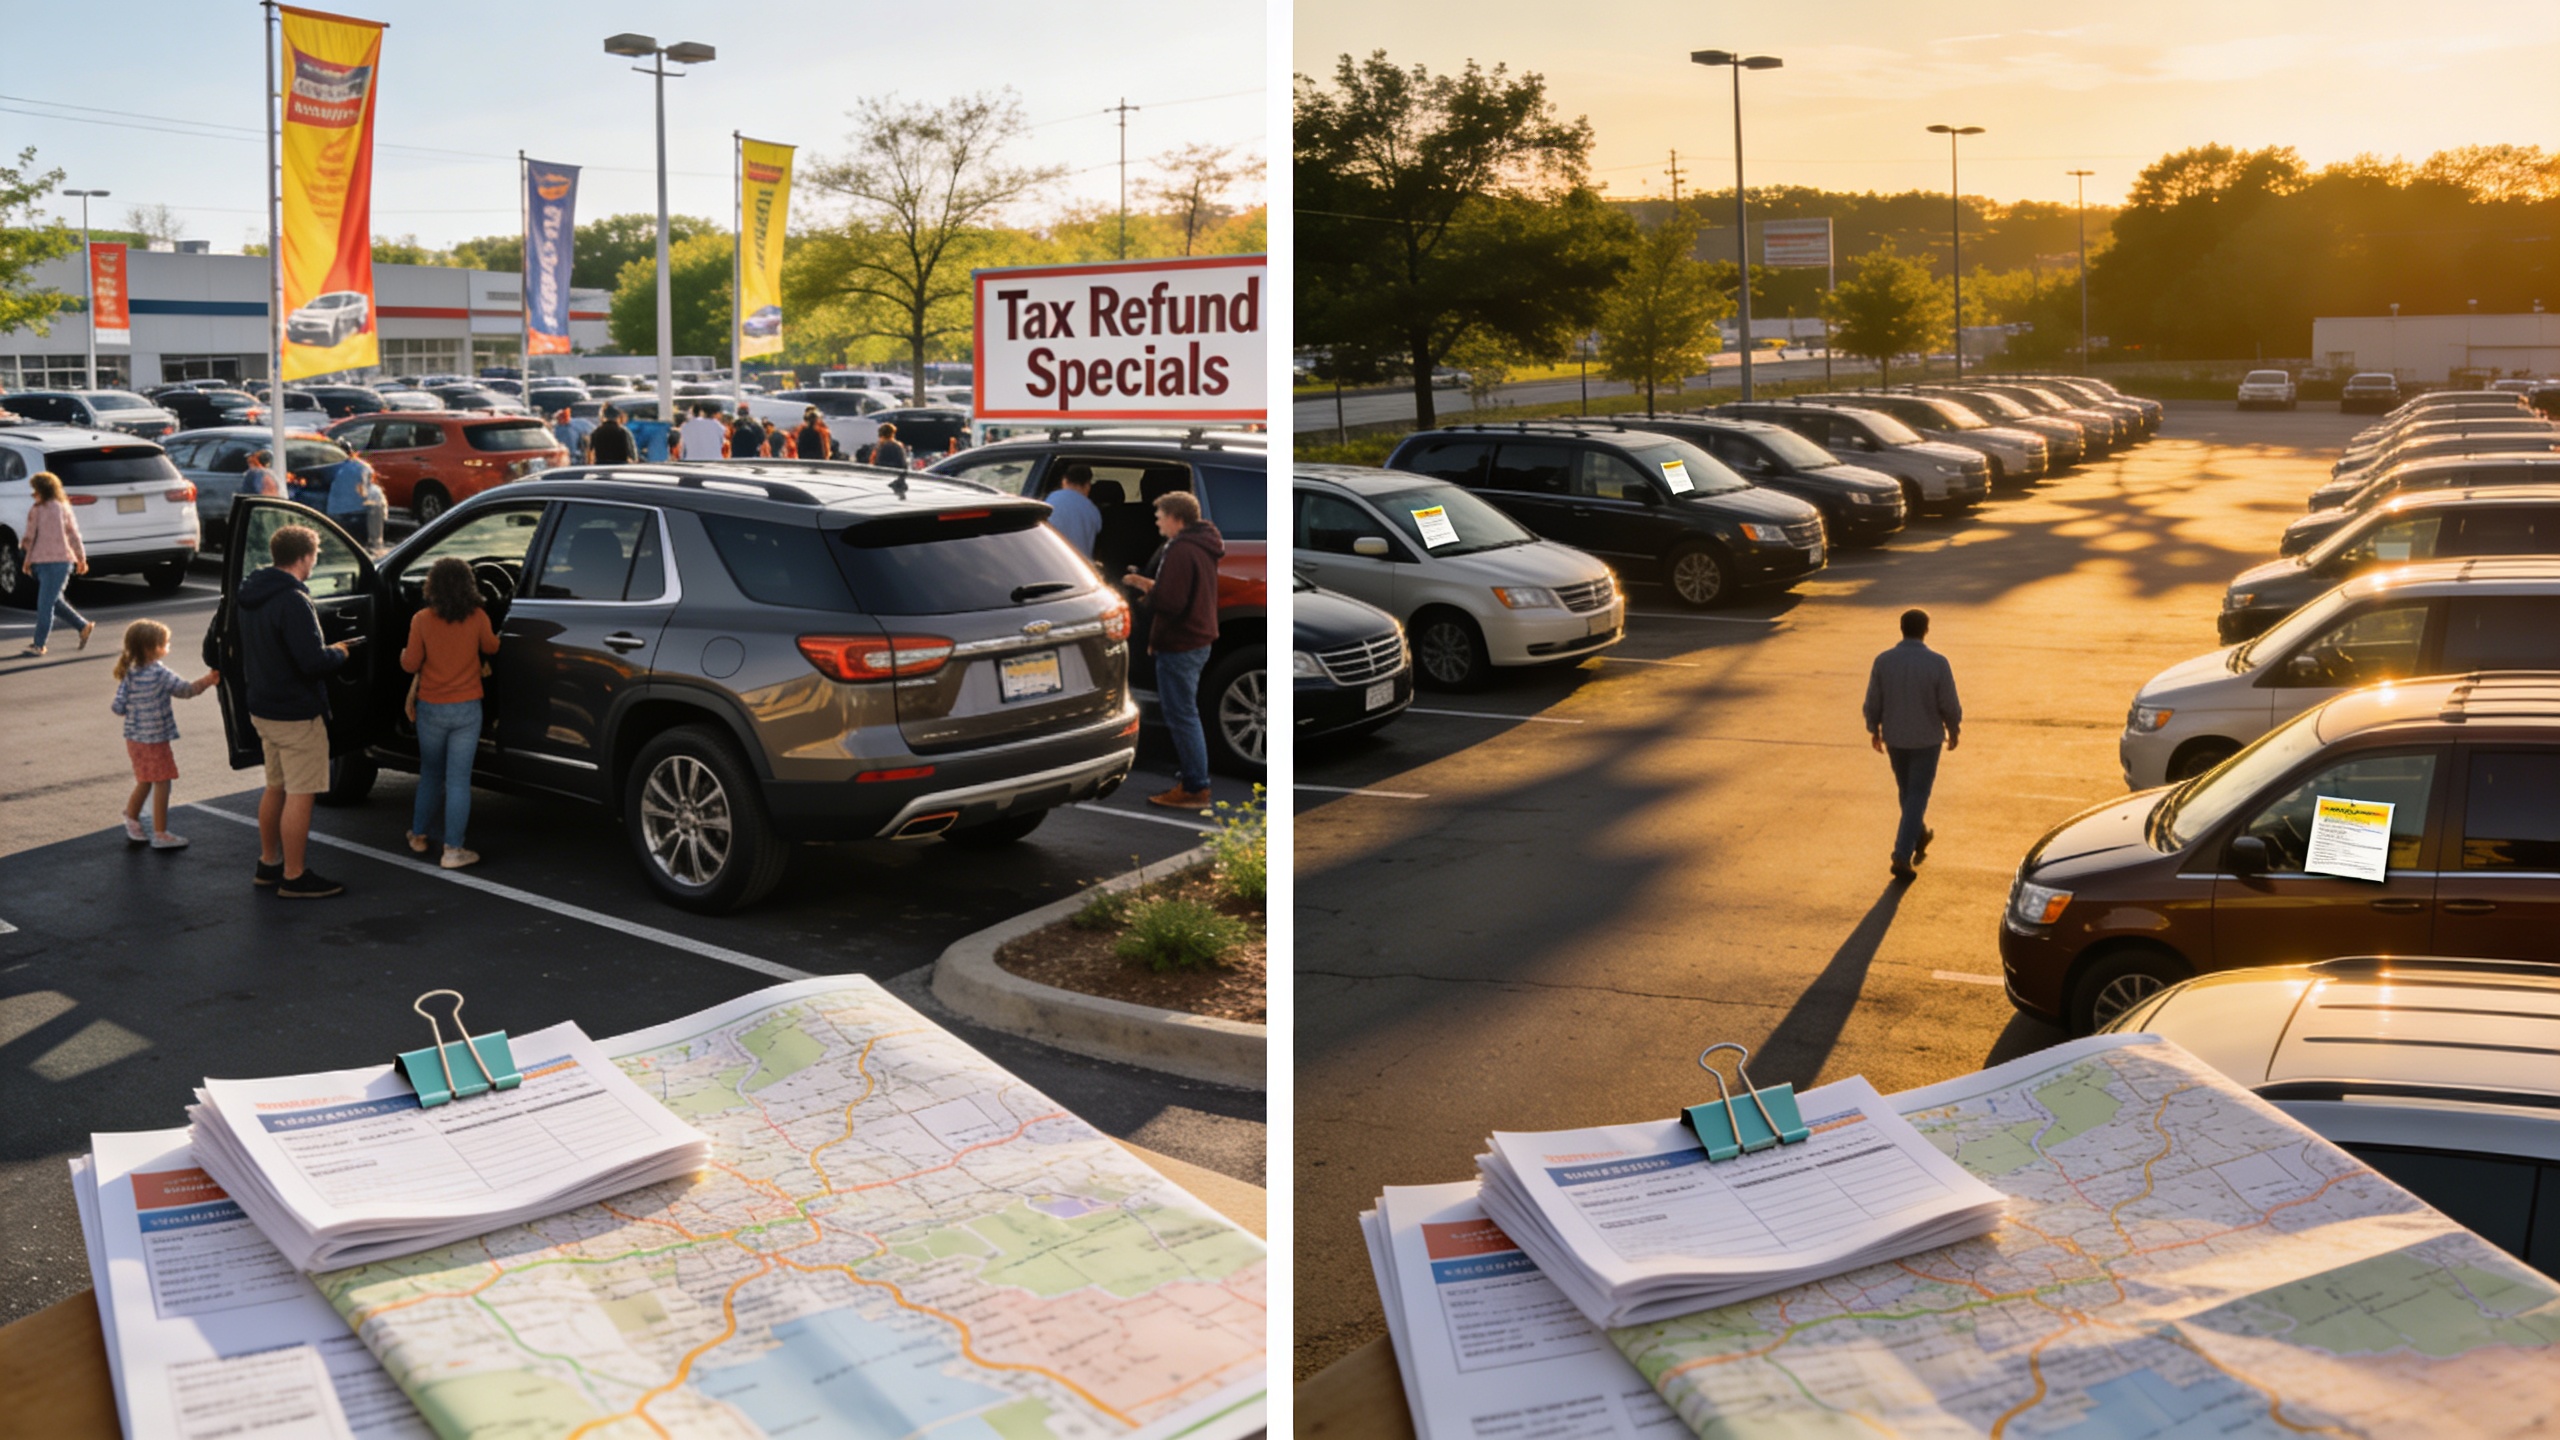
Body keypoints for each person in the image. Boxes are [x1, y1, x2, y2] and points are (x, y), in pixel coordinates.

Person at [238, 523, 354, 899]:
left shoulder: (250, 593)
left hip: (263, 708)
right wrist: (339, 653)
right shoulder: (293, 600)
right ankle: (295, 875)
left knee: (275, 787)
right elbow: (311, 661)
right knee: (301, 794)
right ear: (304, 557)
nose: (315, 562)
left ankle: (269, 863)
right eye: (315, 556)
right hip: (296, 714)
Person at [1124, 490, 1223, 810]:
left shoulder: (1179, 549)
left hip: (1180, 642)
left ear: (1175, 518)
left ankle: (1195, 787)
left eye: (1160, 516)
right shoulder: (1203, 544)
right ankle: (1193, 775)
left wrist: (1146, 595)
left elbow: (1171, 601)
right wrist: (1147, 583)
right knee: (1186, 713)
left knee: (1182, 716)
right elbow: (1182, 592)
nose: (1157, 522)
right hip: (1198, 638)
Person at [401, 556, 499, 870]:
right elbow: (492, 647)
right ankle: (453, 850)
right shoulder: (478, 616)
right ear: (469, 586)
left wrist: (403, 654)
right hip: (467, 709)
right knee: (458, 780)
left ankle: (418, 835)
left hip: (431, 708)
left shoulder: (421, 620)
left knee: (431, 774)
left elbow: (410, 664)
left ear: (432, 586)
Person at [1863, 607, 1963, 882]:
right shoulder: (1937, 663)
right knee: (1917, 793)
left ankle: (1920, 835)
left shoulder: (1884, 661)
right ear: (1926, 630)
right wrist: (1953, 729)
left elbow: (1873, 700)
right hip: (1926, 739)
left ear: (1901, 628)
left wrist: (1874, 728)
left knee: (1907, 792)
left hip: (1895, 737)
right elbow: (1949, 703)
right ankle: (1901, 854)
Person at [110, 619, 218, 850]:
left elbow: (117, 706)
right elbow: (185, 690)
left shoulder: (130, 673)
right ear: (152, 648)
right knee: (162, 782)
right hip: (155, 740)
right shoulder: (159, 673)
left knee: (145, 781)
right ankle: (160, 833)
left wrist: (136, 708)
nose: (168, 646)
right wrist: (209, 680)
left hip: (134, 739)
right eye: (165, 643)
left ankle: (132, 818)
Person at [18, 471, 93, 656]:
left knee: (45, 604)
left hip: (45, 563)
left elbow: (29, 539)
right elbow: (74, 535)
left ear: (42, 490)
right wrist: (81, 558)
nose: (33, 494)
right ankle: (83, 626)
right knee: (54, 601)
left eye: (35, 490)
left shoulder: (36, 510)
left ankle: (39, 644)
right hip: (62, 562)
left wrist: (26, 560)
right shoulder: (63, 507)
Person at [1045, 463, 1103, 556]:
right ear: (1087, 486)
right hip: (1078, 563)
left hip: (1051, 560)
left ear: (1064, 481)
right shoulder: (1093, 511)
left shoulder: (1049, 502)